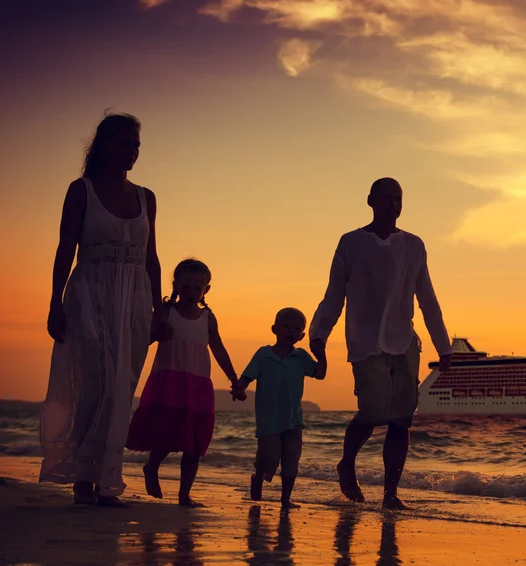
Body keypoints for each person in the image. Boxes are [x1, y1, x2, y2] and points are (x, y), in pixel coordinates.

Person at [40, 112, 164, 507]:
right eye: (125, 144)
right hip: (90, 291)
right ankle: (83, 478)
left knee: (122, 386)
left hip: (135, 298)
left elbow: (153, 257)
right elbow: (65, 249)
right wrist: (54, 302)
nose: (133, 152)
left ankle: (107, 480)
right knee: (96, 381)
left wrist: (159, 310)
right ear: (104, 145)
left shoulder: (147, 197)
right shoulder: (82, 190)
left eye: (137, 146)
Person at [309, 177, 452, 510]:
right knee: (372, 412)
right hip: (365, 342)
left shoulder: (414, 245)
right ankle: (347, 463)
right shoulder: (350, 243)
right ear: (370, 200)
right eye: (386, 197)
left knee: (402, 419)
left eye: (398, 198)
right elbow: (334, 294)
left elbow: (427, 298)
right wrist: (319, 334)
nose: (393, 203)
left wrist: (444, 347)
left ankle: (390, 494)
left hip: (405, 343)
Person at [126, 258, 244, 507]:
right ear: (176, 286)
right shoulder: (166, 313)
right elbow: (143, 340)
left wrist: (234, 378)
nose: (191, 293)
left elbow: (219, 348)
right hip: (169, 381)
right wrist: (157, 333)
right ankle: (152, 467)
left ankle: (184, 494)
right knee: (166, 433)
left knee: (195, 441)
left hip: (198, 384)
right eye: (186, 287)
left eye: (197, 288)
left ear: (206, 290)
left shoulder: (208, 318)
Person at [232, 308, 327, 509]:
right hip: (269, 420)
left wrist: (322, 356)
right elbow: (247, 376)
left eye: (296, 329)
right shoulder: (264, 354)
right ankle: (258, 476)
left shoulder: (301, 357)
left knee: (291, 460)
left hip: (294, 419)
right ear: (274, 329)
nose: (291, 331)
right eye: (286, 327)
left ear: (301, 335)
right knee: (270, 459)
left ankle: (285, 499)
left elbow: (319, 374)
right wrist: (239, 389)